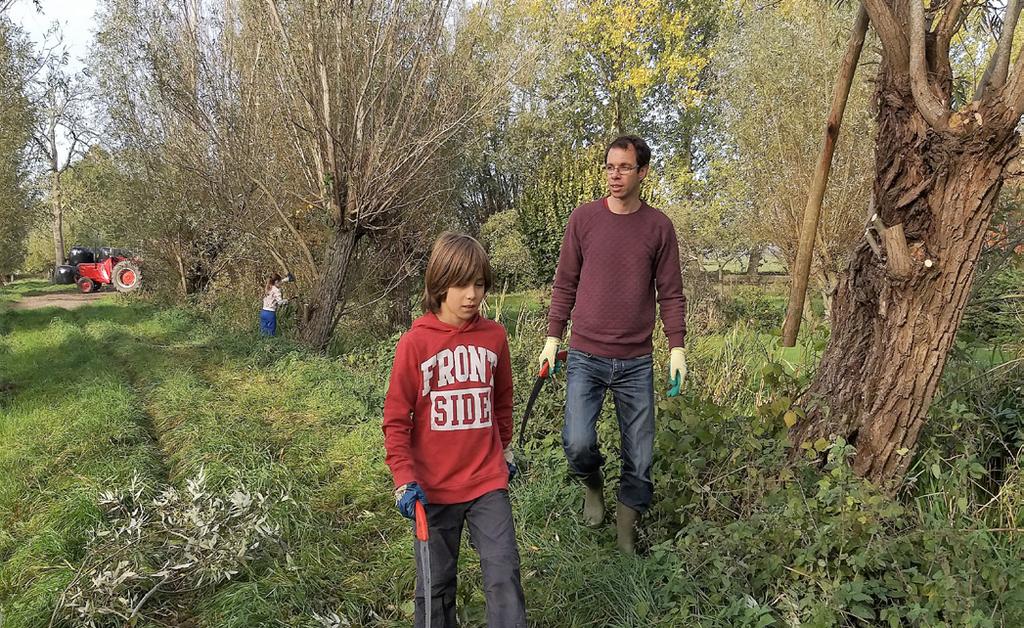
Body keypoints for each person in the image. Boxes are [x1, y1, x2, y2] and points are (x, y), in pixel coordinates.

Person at [539, 135, 688, 554]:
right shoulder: (583, 220)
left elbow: (671, 292)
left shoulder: (659, 227)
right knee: (577, 442)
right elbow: (565, 283)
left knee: (639, 459)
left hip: (636, 361)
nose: (615, 175)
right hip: (585, 355)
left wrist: (677, 347)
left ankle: (625, 538)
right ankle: (593, 484)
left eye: (624, 167)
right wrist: (553, 338)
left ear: (642, 172)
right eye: (609, 167)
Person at [383, 232, 527, 628]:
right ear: (439, 284)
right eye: (462, 284)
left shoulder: (494, 337)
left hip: (486, 482)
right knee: (435, 586)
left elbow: (502, 402)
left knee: (504, 575)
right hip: (432, 490)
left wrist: (504, 451)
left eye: (479, 284)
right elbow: (396, 420)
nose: (472, 295)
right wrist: (403, 478)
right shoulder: (415, 344)